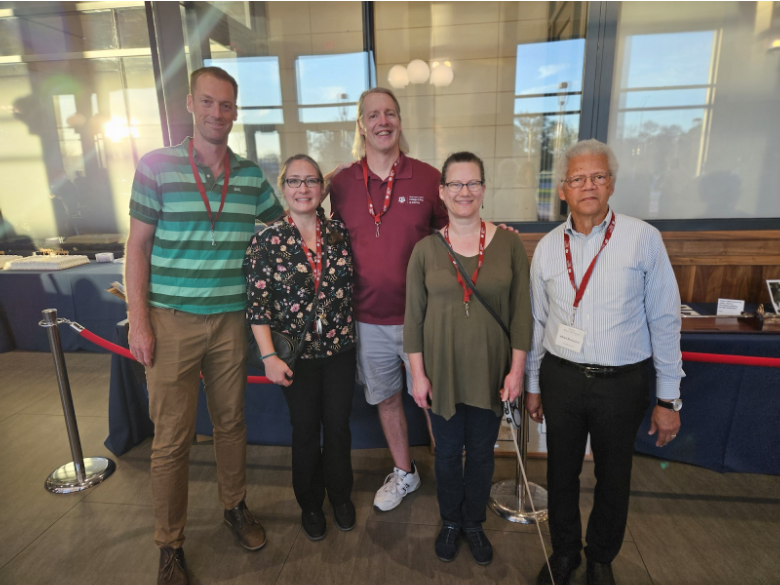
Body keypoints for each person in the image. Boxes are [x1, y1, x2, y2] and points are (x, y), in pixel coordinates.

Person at [125, 66, 284, 585]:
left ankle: (234, 506)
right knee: (171, 438)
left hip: (231, 321)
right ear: (191, 104)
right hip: (171, 321)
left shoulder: (252, 176)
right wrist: (139, 321)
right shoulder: (156, 166)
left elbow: (286, 228)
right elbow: (138, 247)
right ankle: (169, 544)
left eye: (227, 105)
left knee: (231, 423)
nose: (218, 113)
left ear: (236, 112)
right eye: (209, 103)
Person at [525, 139, 684, 585]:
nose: (588, 186)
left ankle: (600, 558)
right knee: (561, 474)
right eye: (578, 179)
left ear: (611, 184)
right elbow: (538, 322)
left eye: (597, 177)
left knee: (614, 478)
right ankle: (564, 554)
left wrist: (668, 400)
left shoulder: (642, 239)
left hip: (623, 383)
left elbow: (666, 319)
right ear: (563, 190)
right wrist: (534, 384)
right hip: (563, 380)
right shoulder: (548, 248)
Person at [404, 152, 533, 565]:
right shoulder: (424, 249)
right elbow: (413, 319)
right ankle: (449, 522)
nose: (464, 192)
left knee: (481, 453)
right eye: (455, 184)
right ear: (442, 192)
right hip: (440, 373)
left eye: (472, 183)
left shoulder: (509, 243)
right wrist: (417, 375)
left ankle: (474, 523)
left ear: (483, 188)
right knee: (445, 454)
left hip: (490, 372)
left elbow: (520, 313)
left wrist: (517, 370)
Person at [326, 87, 448, 512]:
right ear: (361, 125)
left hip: (423, 317)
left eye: (390, 113)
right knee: (388, 398)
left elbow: (458, 233)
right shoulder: (341, 183)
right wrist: (321, 180)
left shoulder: (430, 177)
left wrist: (494, 233)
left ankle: (452, 473)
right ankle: (405, 473)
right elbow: (302, 217)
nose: (383, 121)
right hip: (367, 318)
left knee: (435, 397)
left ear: (399, 121)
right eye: (373, 115)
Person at [244, 154, 357, 541]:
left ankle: (341, 495)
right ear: (283, 188)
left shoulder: (340, 233)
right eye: (294, 181)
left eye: (311, 181)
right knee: (306, 430)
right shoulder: (267, 240)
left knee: (339, 428)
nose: (303, 188)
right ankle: (310, 503)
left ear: (323, 189)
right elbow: (256, 306)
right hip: (296, 358)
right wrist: (268, 356)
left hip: (340, 350)